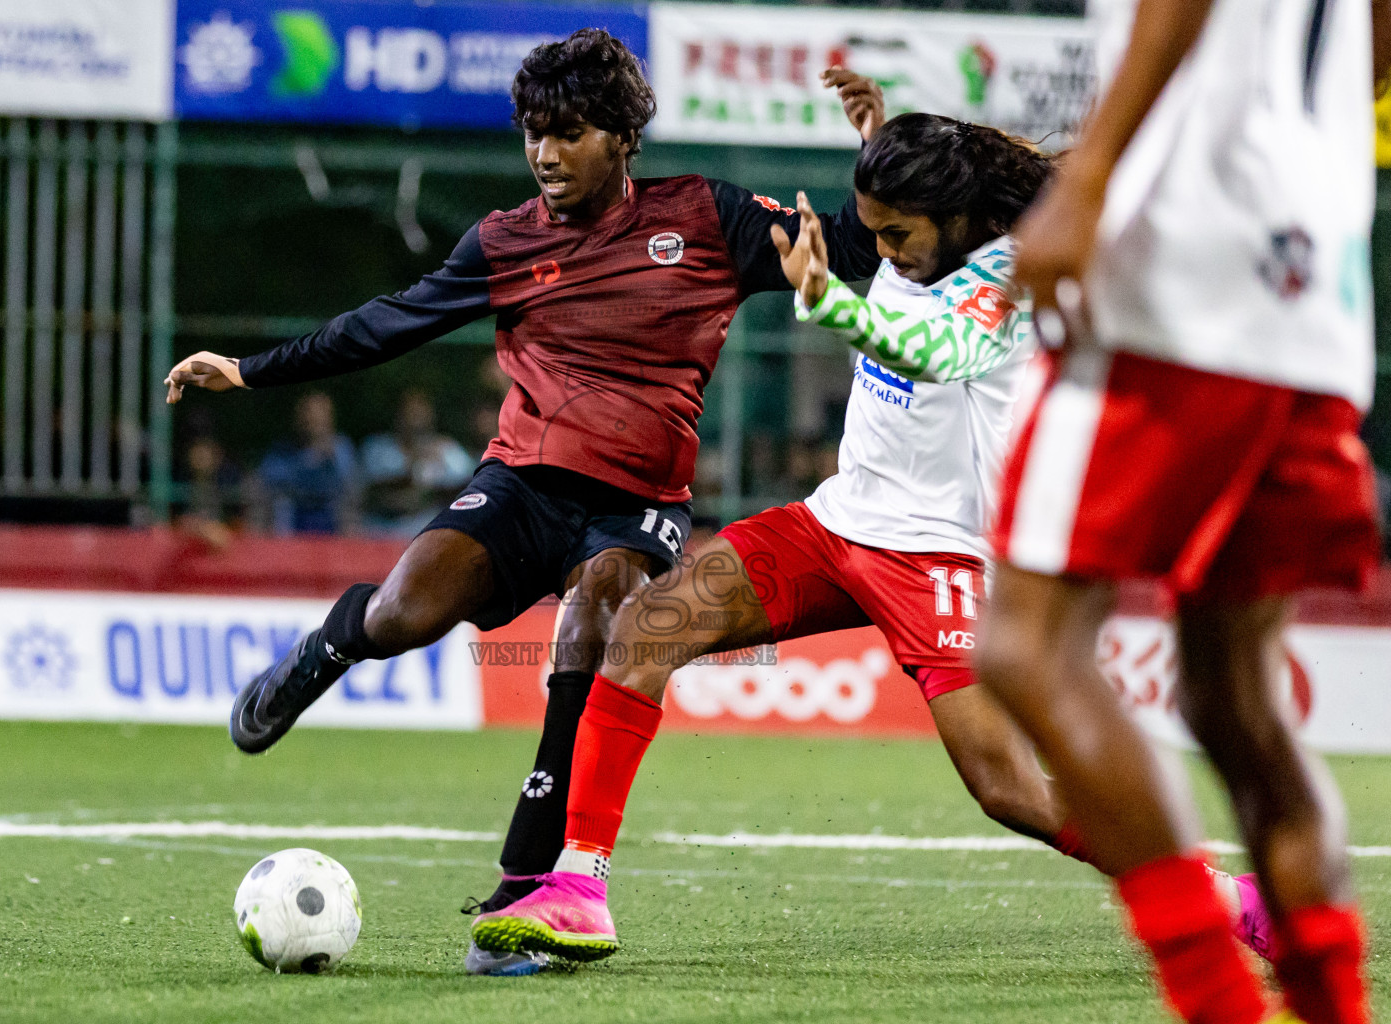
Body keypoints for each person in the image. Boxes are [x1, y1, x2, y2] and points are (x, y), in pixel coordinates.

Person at [163, 30, 883, 976]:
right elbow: (387, 322)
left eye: (569, 132)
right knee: (403, 610)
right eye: (533, 134)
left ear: (624, 135)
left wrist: (875, 152)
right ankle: (328, 648)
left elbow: (859, 245)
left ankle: (521, 896)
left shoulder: (705, 217)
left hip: (636, 504)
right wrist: (253, 371)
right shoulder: (504, 241)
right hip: (522, 481)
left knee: (590, 629)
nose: (545, 153)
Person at [469, 113, 1263, 966]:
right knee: (646, 626)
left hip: (940, 558)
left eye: (898, 233)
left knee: (1006, 789)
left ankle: (1216, 894)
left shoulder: (1004, 275)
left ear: (956, 218)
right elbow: (902, 245)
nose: (881, 249)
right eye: (872, 229)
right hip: (836, 521)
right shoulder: (921, 229)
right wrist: (877, 131)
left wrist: (827, 299)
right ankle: (580, 887)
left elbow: (933, 347)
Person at [972, 0, 1389, 1022]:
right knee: (1233, 698)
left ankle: (1219, 1003)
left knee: (1028, 647)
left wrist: (1089, 177)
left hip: (1182, 258)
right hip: (1316, 274)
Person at [360, 389, 475, 533]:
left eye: (421, 416)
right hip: (381, 527)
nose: (416, 422)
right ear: (399, 418)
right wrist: (412, 464)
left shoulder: (447, 449)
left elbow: (470, 486)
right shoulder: (379, 448)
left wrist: (436, 486)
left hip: (428, 529)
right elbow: (373, 488)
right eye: (411, 415)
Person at [256, 392, 359, 536]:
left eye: (318, 417)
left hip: (331, 516)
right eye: (308, 416)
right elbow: (269, 482)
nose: (311, 421)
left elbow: (349, 484)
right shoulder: (282, 451)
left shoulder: (341, 448)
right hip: (293, 516)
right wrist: (310, 460)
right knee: (280, 506)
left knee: (348, 511)